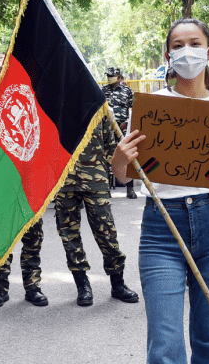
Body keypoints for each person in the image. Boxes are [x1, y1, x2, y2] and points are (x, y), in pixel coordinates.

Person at [113, 18, 209, 363]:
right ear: (167, 55)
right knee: (164, 343)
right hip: (161, 227)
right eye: (178, 46)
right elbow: (123, 177)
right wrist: (119, 159)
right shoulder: (148, 109)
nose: (186, 52)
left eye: (194, 44)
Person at [55, 115, 139, 307]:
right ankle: (82, 285)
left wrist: (122, 173)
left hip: (96, 180)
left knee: (106, 232)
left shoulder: (98, 105)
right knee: (69, 236)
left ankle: (118, 284)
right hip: (63, 180)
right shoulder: (56, 103)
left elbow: (112, 147)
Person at [0, 220, 48, 308]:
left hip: (28, 207)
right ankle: (0, 289)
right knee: (0, 245)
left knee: (32, 243)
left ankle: (33, 288)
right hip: (3, 208)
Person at [102, 66, 137, 199]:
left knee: (128, 158)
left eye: (112, 75)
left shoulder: (127, 91)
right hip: (107, 129)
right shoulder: (102, 91)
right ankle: (106, 190)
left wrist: (127, 124)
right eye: (108, 76)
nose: (110, 78)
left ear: (118, 76)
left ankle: (130, 189)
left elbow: (134, 109)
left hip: (122, 128)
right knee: (106, 158)